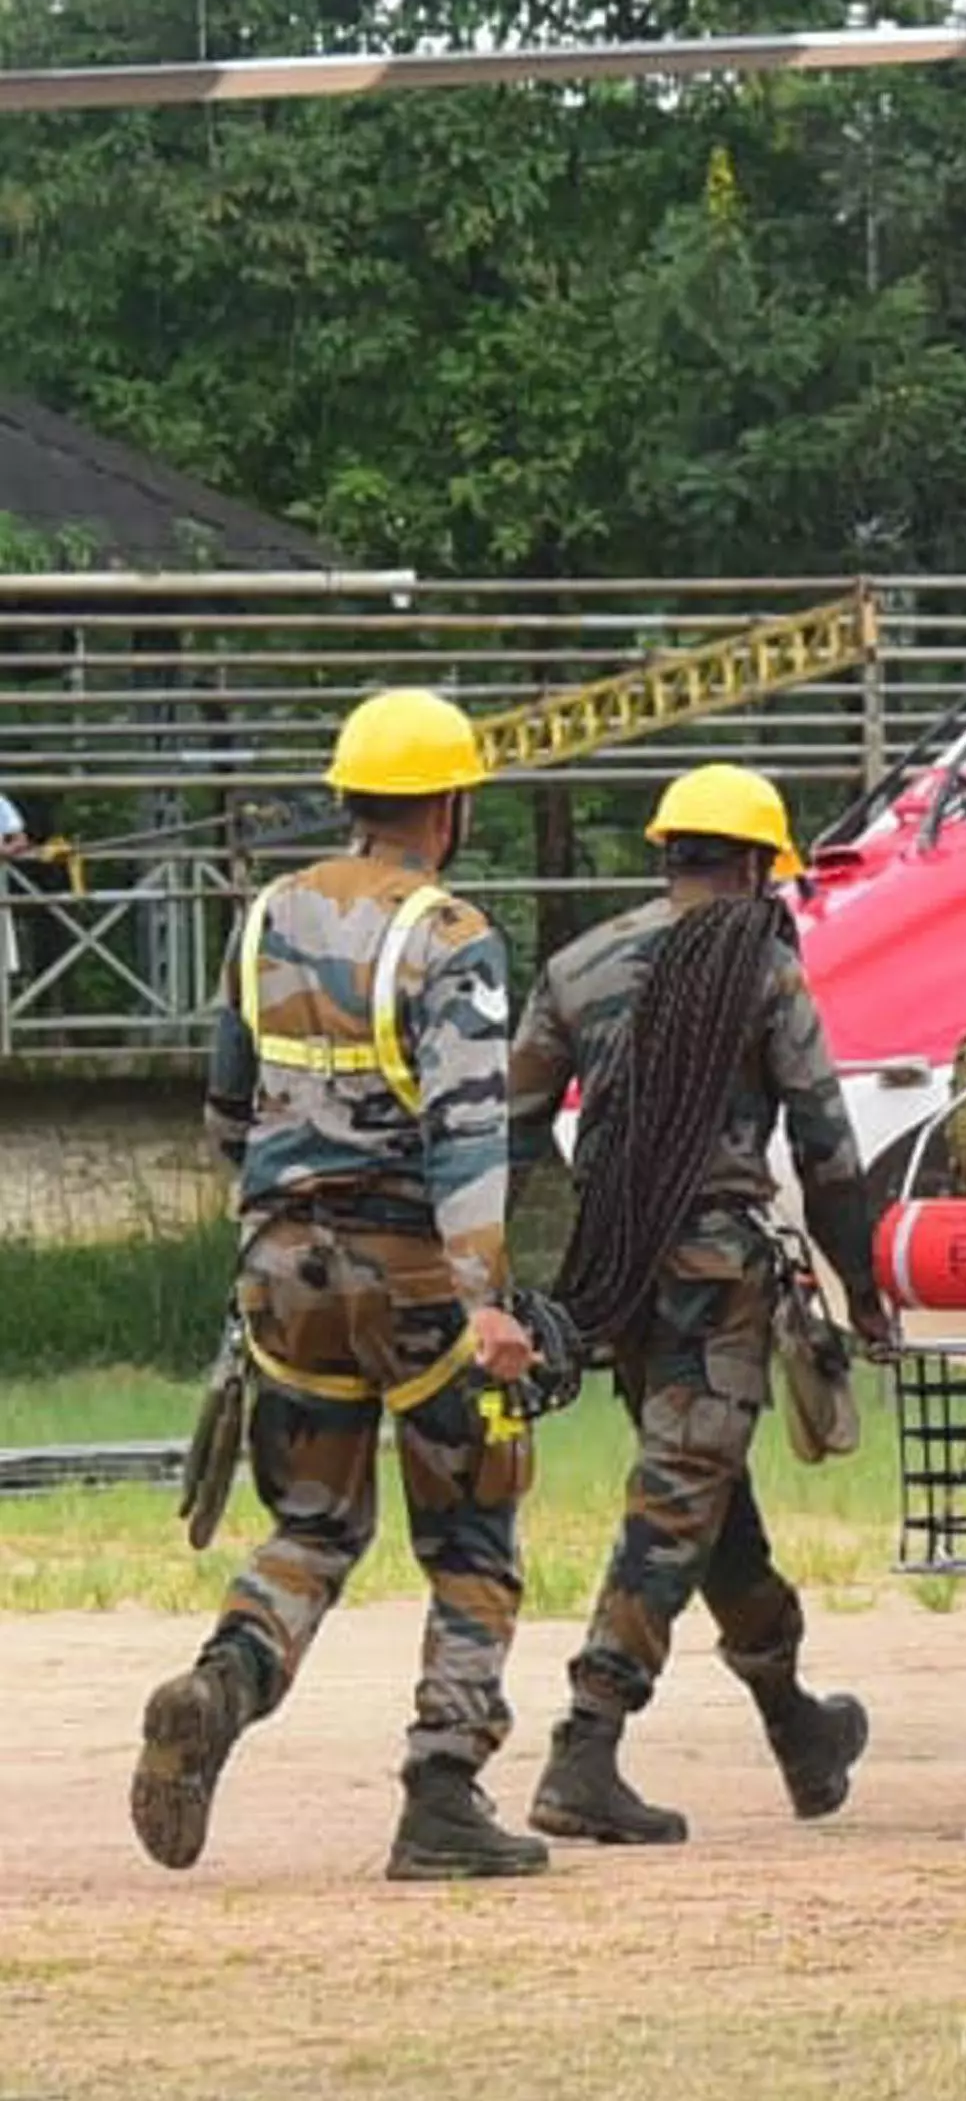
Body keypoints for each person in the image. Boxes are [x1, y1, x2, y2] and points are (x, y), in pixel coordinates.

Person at [133, 687, 549, 1882]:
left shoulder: (269, 913)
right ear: (450, 804)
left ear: (353, 796)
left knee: (312, 1523)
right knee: (473, 1526)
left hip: (282, 1265)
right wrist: (484, 1297)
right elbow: (470, 1133)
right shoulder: (450, 933)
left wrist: (281, 1204)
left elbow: (226, 1103)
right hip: (412, 1272)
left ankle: (222, 1682)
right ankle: (442, 1788)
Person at [510, 763, 884, 1848]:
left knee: (709, 1489)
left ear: (668, 850)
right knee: (679, 1493)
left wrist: (534, 1290)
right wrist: (862, 1289)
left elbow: (514, 1133)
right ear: (763, 864)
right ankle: (587, 1741)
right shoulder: (765, 971)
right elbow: (827, 1145)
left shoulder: (576, 966)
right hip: (714, 1277)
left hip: (615, 1276)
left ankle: (796, 1723)